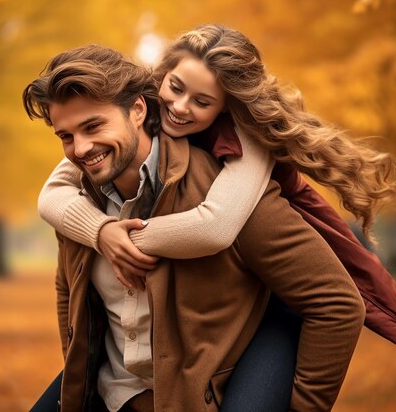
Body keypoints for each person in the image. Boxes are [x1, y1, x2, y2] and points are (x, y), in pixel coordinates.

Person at [23, 43, 366, 411]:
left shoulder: (232, 194)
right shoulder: (78, 204)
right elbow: (68, 290)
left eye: (93, 126)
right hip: (108, 396)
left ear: (138, 110)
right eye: (66, 136)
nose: (81, 147)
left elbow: (338, 304)